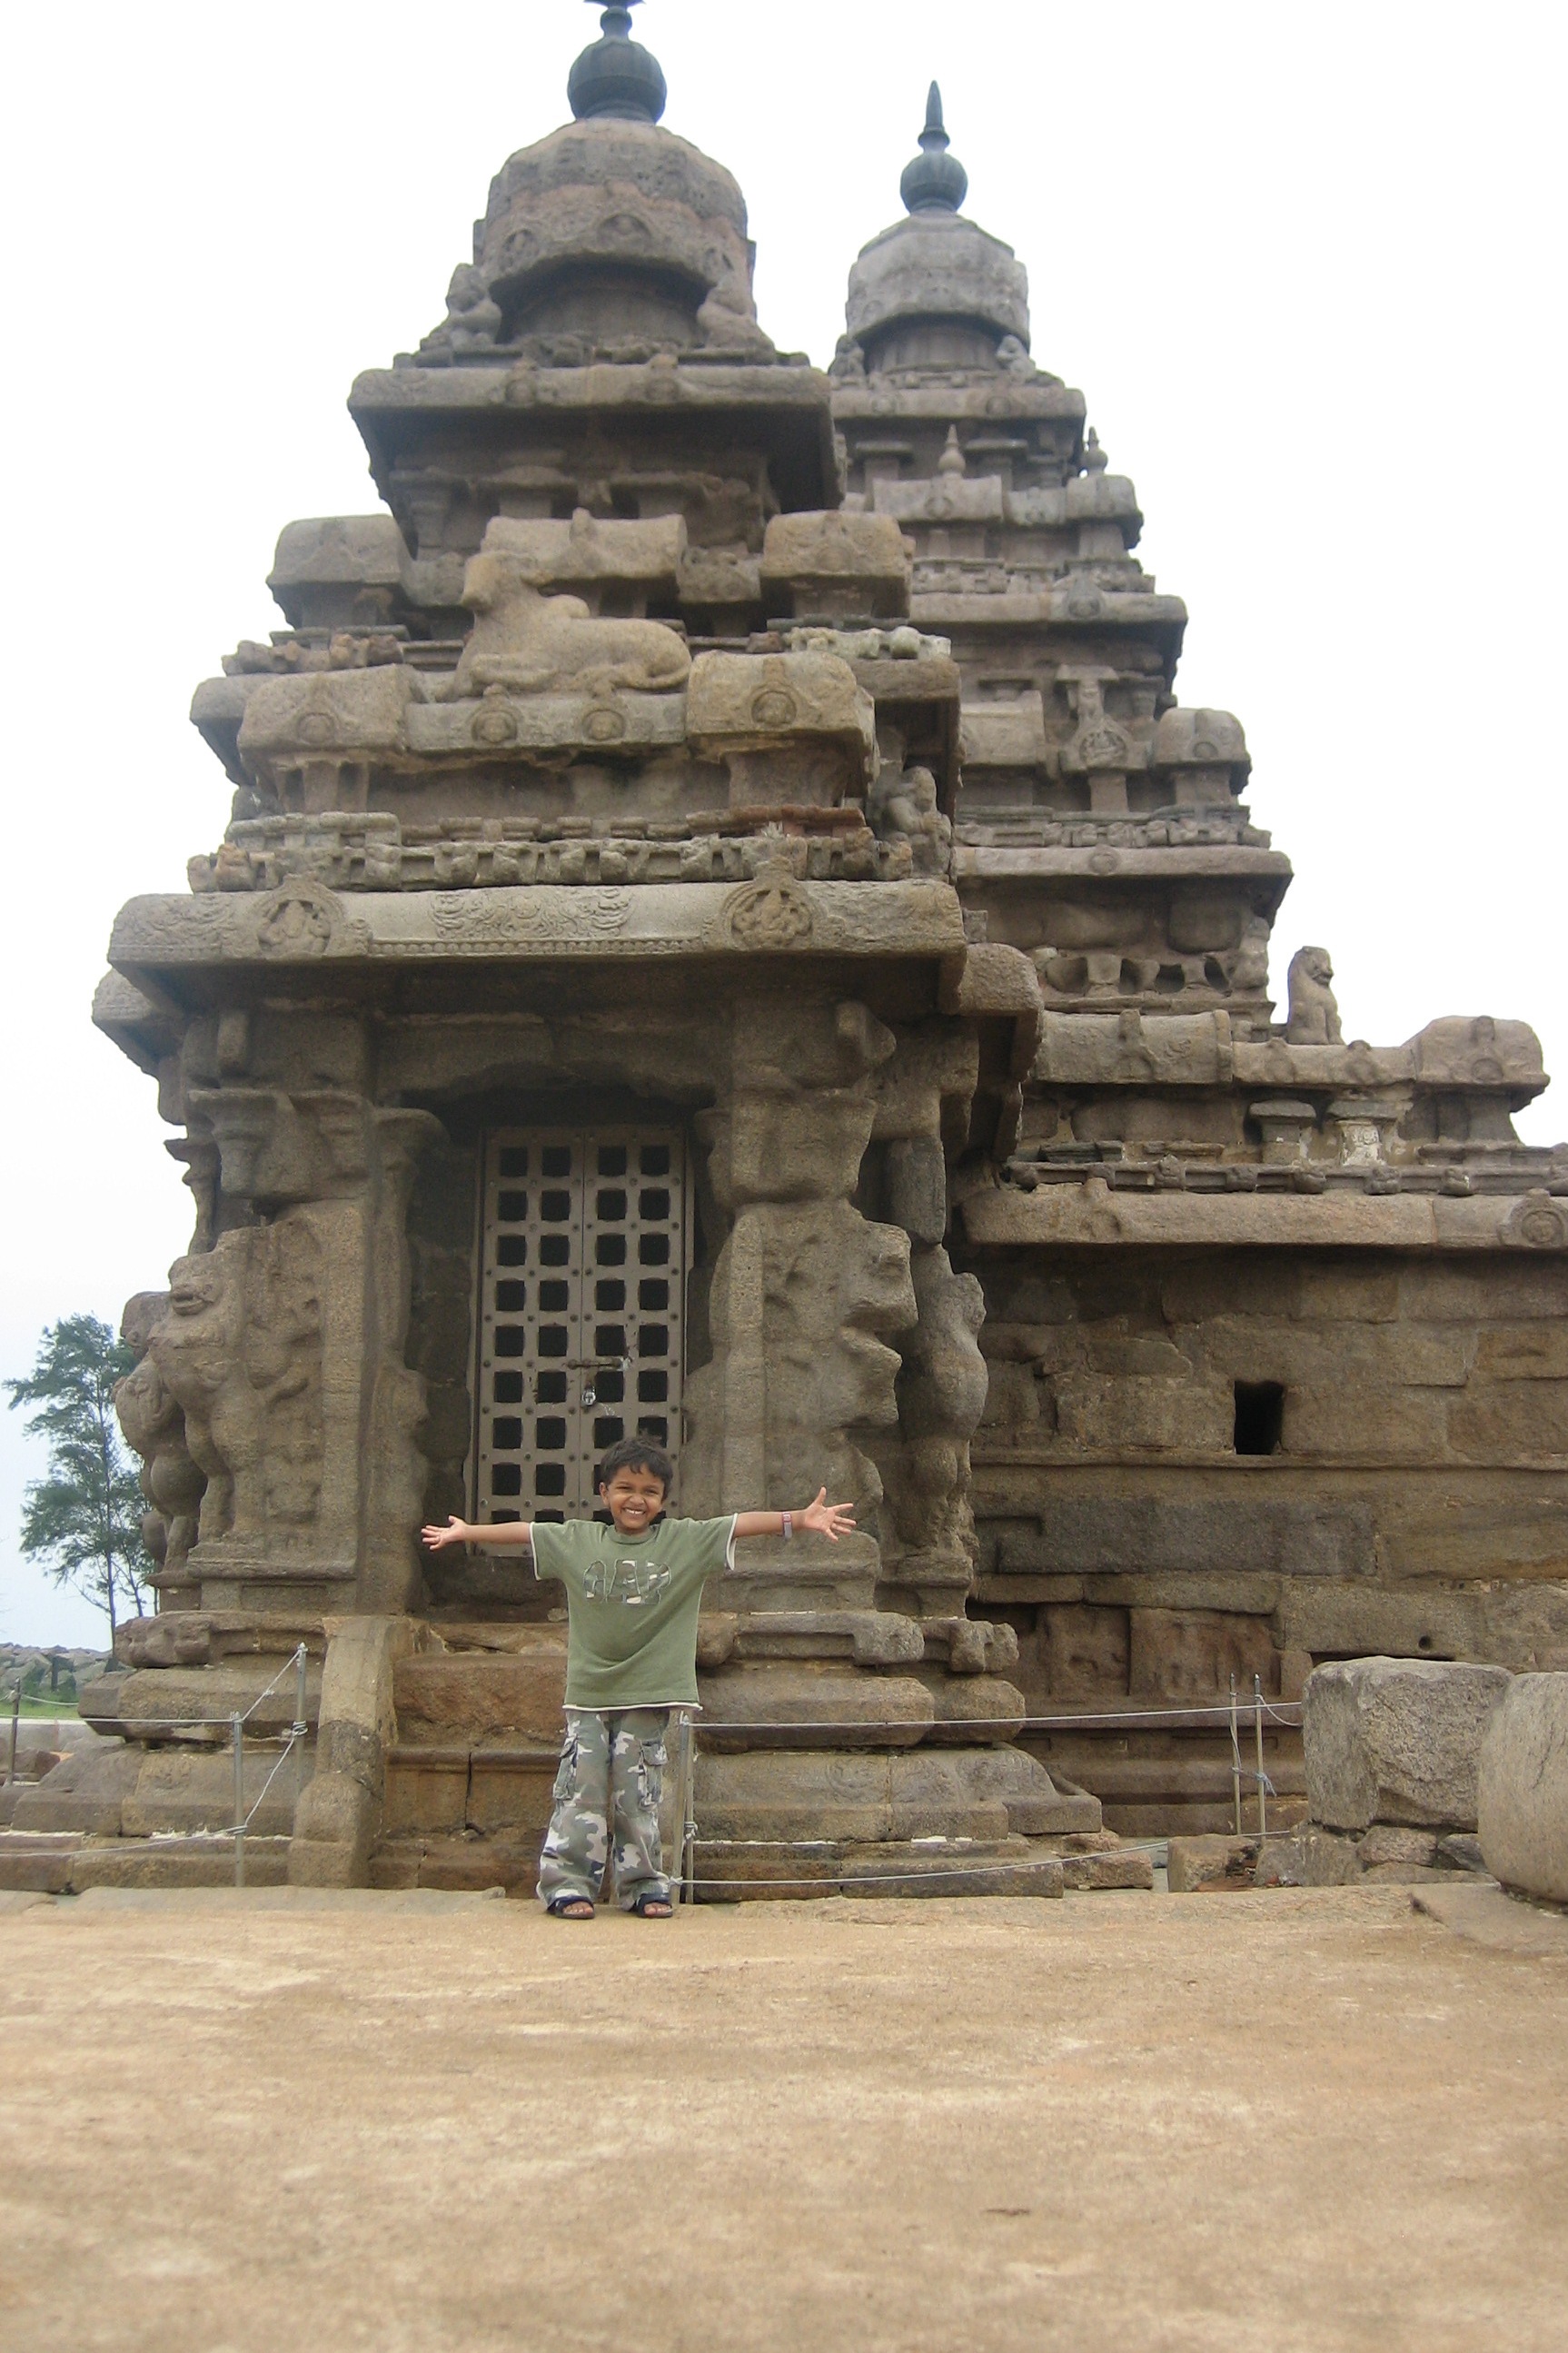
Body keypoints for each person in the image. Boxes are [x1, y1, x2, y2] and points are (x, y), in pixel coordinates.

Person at [422, 1438, 854, 1920]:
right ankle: (567, 1884)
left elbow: (739, 1524)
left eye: (649, 1490)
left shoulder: (682, 1541)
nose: (636, 1499)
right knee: (579, 1789)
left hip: (650, 1692)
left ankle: (644, 1885)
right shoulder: (580, 1540)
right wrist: (466, 1532)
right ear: (604, 1492)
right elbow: (527, 1532)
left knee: (638, 1791)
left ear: (663, 1500)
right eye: (625, 1487)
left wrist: (799, 1518)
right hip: (589, 1693)